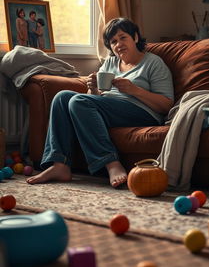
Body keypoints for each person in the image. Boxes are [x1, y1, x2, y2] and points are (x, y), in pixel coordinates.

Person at [26, 17, 174, 188]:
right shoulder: (110, 62)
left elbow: (166, 105)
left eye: (123, 37)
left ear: (135, 37)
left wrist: (134, 90)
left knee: (78, 101)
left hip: (142, 112)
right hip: (110, 109)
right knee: (62, 97)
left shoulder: (153, 63)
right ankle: (60, 165)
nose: (118, 44)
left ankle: (111, 163)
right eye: (113, 41)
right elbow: (92, 98)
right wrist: (93, 89)